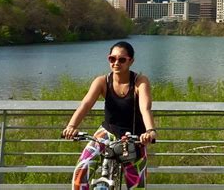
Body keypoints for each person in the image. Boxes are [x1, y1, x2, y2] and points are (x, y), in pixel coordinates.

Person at [62, 41, 157, 190]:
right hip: (107, 133)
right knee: (80, 173)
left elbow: (145, 108)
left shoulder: (140, 81)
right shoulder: (103, 81)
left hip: (133, 138)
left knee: (137, 186)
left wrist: (150, 131)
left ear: (131, 61)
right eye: (112, 59)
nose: (116, 63)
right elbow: (86, 104)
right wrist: (71, 126)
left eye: (122, 59)